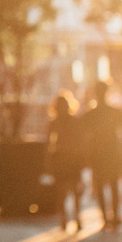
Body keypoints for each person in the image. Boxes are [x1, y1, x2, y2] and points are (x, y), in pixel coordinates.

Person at [81, 79, 122, 229]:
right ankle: (113, 216)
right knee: (113, 185)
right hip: (110, 153)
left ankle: (106, 217)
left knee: (102, 185)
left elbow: (84, 137)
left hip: (100, 154)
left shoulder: (91, 115)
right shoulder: (114, 112)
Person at [45, 91, 84, 230]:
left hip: (66, 159)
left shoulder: (59, 123)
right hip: (65, 159)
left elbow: (49, 145)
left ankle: (69, 218)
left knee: (69, 190)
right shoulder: (63, 123)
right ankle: (70, 218)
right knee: (68, 191)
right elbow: (49, 144)